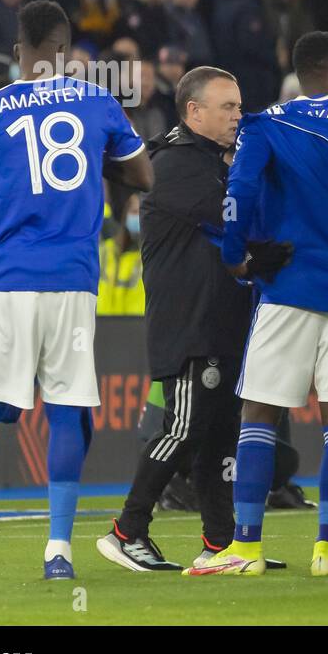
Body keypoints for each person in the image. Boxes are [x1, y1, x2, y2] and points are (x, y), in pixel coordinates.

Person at [186, 31, 328, 577]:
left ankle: (245, 548)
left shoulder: (267, 124)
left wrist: (235, 254)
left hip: (287, 289)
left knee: (260, 414)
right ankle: (327, 550)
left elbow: (239, 191)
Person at [0, 0, 153, 581]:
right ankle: (58, 551)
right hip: (76, 280)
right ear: (66, 52)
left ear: (17, 52)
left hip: (11, 280)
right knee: (65, 408)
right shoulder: (96, 102)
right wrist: (85, 176)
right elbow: (143, 177)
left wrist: (13, 201)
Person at [97, 66, 291, 572]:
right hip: (192, 321)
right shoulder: (176, 162)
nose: (237, 116)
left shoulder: (208, 160)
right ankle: (127, 530)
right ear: (193, 111)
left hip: (220, 319)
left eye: (239, 105)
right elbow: (232, 217)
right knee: (182, 427)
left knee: (217, 436)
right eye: (226, 107)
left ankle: (220, 544)